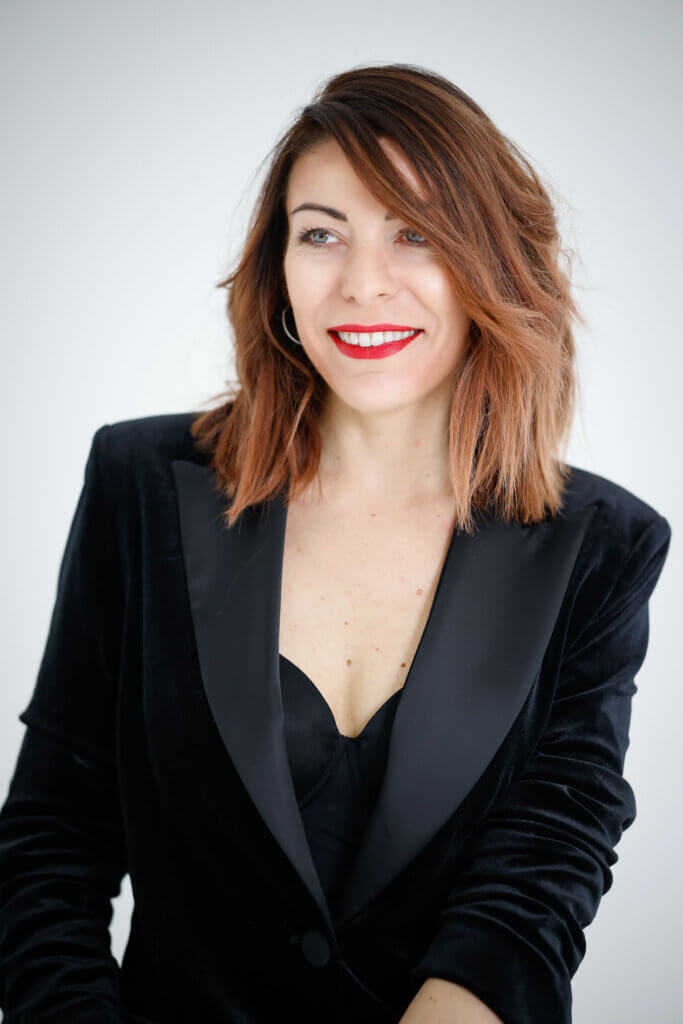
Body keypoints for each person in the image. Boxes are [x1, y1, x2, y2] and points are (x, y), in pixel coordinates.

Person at [0, 63, 672, 1024]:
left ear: (490, 262)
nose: (362, 284)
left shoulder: (602, 547)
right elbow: (51, 842)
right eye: (321, 233)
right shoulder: (139, 483)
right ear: (278, 264)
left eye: (415, 233)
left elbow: (544, 866)